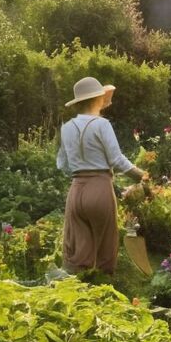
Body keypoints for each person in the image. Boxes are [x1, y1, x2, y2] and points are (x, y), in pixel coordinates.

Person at [56, 76, 148, 275]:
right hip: (99, 188)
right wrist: (141, 175)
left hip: (76, 190)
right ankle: (103, 293)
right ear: (97, 99)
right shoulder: (102, 125)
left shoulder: (66, 128)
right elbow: (116, 159)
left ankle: (75, 297)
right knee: (105, 249)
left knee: (78, 254)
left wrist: (80, 167)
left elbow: (62, 164)